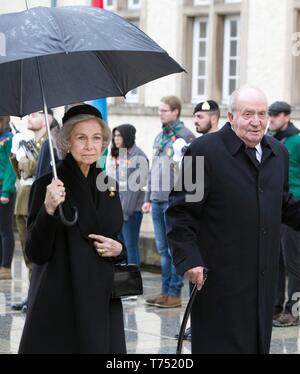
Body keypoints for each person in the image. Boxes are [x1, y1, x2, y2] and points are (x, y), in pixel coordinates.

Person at [166, 86, 300, 354]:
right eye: (248, 113)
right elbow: (181, 211)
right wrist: (189, 259)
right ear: (230, 116)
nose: (256, 121)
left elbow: (282, 203)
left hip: (262, 284)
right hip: (219, 284)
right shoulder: (201, 150)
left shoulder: (278, 153)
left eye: (262, 114)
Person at [18, 104, 126, 354]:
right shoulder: (48, 184)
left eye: (96, 138)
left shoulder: (108, 185)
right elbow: (35, 252)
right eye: (81, 138)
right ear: (66, 142)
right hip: (61, 296)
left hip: (101, 297)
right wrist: (48, 209)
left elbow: (115, 239)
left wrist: (119, 248)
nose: (90, 145)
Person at [142, 96, 195, 308]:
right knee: (162, 250)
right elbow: (153, 168)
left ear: (176, 112)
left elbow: (191, 172)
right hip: (156, 199)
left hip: (172, 201)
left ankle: (174, 292)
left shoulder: (186, 136)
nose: (160, 113)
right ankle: (164, 291)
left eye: (164, 110)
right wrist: (147, 197)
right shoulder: (159, 137)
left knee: (174, 251)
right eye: (159, 110)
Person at [10, 111, 50, 312]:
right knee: (27, 252)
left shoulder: (49, 143)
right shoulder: (28, 142)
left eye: (34, 115)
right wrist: (16, 155)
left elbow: (36, 168)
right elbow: (21, 172)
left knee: (36, 251)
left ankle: (37, 295)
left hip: (37, 200)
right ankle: (31, 294)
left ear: (46, 118)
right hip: (23, 197)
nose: (28, 119)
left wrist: (24, 160)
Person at [268, 101, 300, 327]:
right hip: (275, 207)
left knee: (294, 263)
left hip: (294, 207)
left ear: (287, 116)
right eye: (269, 114)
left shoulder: (297, 140)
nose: (271, 118)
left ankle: (294, 310)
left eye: (275, 115)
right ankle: (275, 307)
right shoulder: (274, 139)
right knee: (275, 261)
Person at [107, 124, 148, 268]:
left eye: (119, 136)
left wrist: (124, 212)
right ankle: (123, 280)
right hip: (118, 209)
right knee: (120, 247)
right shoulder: (120, 154)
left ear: (127, 136)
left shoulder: (139, 156)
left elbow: (134, 189)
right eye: (115, 136)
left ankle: (133, 281)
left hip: (130, 212)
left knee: (130, 247)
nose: (116, 139)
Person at [0, 116, 16, 280]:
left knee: (5, 230)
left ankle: (6, 267)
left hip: (4, 186)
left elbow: (11, 166)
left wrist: (5, 191)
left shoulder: (8, 138)